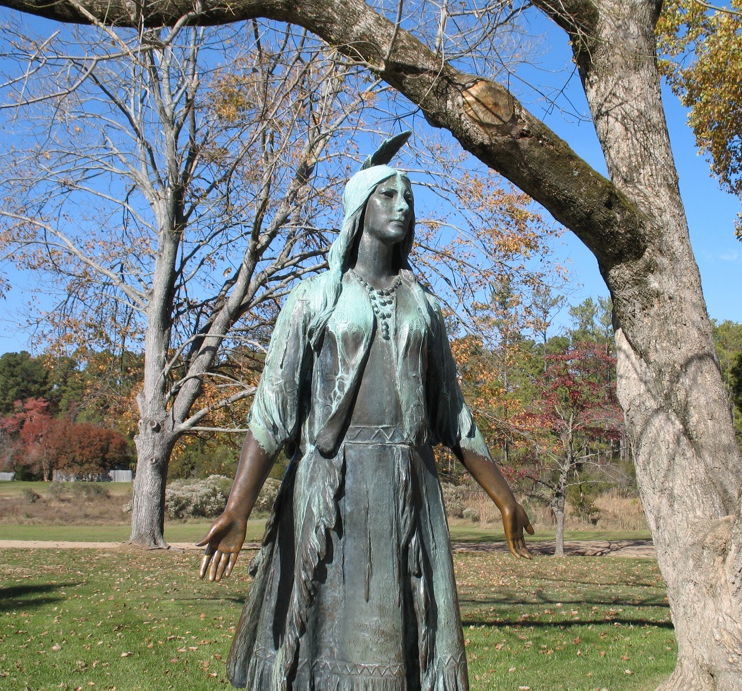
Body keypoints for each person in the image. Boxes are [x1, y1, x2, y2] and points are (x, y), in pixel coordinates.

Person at [197, 132, 533, 690]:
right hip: (332, 486)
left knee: (404, 630)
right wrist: (237, 509)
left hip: (408, 485)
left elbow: (454, 415)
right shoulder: (313, 298)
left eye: (409, 198)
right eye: (388, 195)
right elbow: (271, 411)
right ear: (358, 209)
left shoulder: (424, 307)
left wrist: (505, 496)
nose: (402, 206)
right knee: (319, 633)